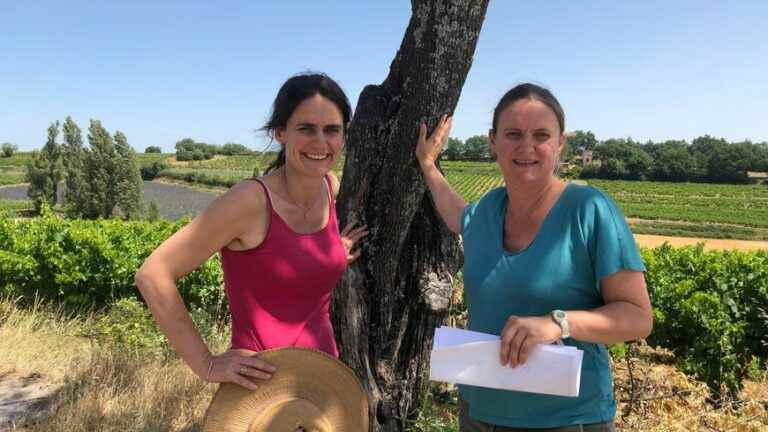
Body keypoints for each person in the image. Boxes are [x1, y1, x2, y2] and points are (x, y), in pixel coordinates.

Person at [416, 83, 653, 431]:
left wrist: (557, 323)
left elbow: (637, 318)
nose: (527, 147)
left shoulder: (590, 211)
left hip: (567, 420)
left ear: (560, 143)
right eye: (513, 134)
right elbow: (457, 216)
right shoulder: (487, 210)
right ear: (493, 141)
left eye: (541, 135)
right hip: (480, 413)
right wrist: (427, 164)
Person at [135, 72, 367, 391]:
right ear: (280, 132)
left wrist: (332, 253)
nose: (320, 142)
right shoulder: (251, 202)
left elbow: (300, 259)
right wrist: (207, 363)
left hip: (322, 380)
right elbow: (152, 274)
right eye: (306, 129)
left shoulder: (330, 188)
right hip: (260, 393)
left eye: (332, 130)